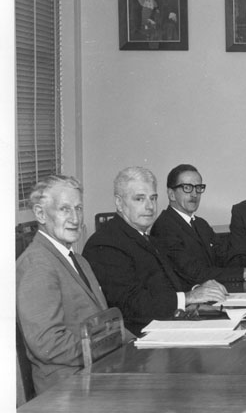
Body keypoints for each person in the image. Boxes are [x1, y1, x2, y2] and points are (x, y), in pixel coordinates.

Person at [83, 167, 227, 335]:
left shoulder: (148, 238)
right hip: (140, 342)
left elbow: (169, 284)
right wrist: (188, 297)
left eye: (153, 198)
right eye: (139, 199)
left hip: (169, 327)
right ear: (119, 202)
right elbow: (130, 305)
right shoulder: (106, 243)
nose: (150, 206)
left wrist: (199, 287)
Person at [16, 175, 109, 393]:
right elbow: (47, 344)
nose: (75, 218)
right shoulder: (36, 265)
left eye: (78, 208)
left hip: (95, 372)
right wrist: (109, 348)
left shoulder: (79, 260)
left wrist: (138, 344)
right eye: (64, 209)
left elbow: (101, 322)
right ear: (40, 213)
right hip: (66, 388)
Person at [150, 163, 246, 288]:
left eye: (198, 187)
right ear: (171, 194)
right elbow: (195, 273)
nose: (195, 194)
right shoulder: (164, 227)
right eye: (187, 188)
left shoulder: (200, 224)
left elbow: (227, 258)